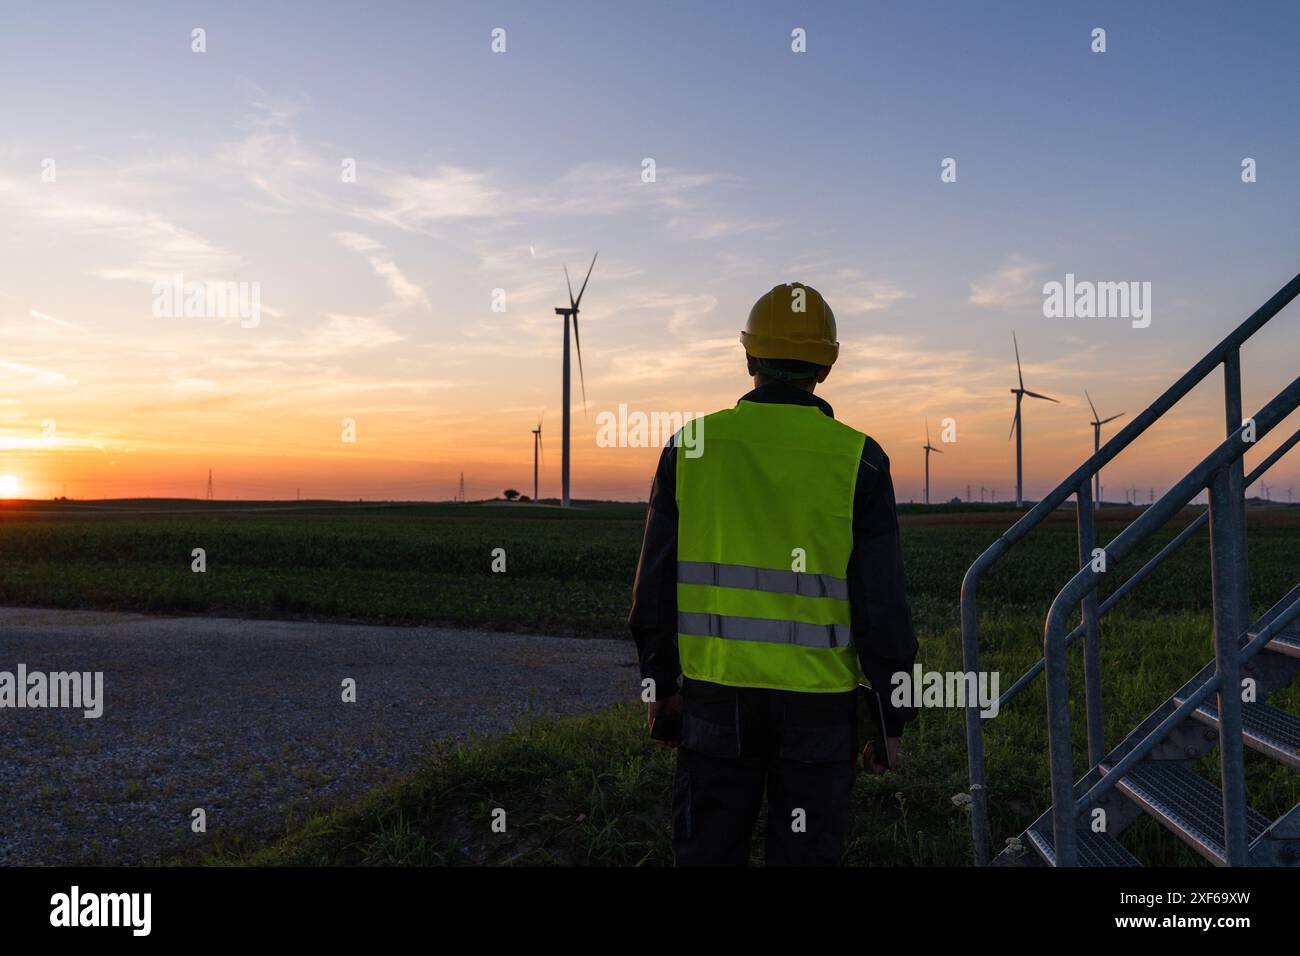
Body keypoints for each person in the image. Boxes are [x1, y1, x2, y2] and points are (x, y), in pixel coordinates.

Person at [628, 281, 917, 866]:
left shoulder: (691, 447)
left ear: (749, 357)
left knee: (707, 854)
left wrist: (658, 687)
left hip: (714, 706)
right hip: (818, 713)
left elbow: (652, 591)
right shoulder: (861, 460)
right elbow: (882, 607)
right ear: (827, 366)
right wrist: (892, 715)